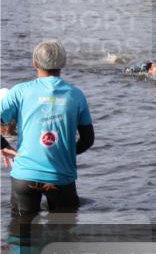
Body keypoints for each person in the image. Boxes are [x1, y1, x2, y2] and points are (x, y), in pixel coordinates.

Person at [0, 41, 94, 217]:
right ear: (63, 64)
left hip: (24, 177)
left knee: (21, 235)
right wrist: (66, 152)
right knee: (63, 237)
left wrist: (2, 145)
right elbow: (88, 140)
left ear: (35, 63)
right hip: (61, 178)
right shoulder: (76, 95)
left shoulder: (20, 91)